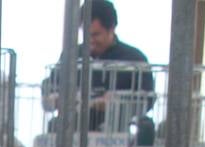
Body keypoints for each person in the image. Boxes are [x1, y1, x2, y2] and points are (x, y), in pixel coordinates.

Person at [41, 0, 155, 133]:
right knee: (55, 125)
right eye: (85, 35)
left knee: (146, 127)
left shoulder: (134, 59)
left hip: (118, 130)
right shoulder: (71, 56)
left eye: (95, 35)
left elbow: (148, 98)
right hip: (75, 126)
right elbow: (52, 83)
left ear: (111, 28)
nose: (90, 41)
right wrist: (54, 97)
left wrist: (117, 102)